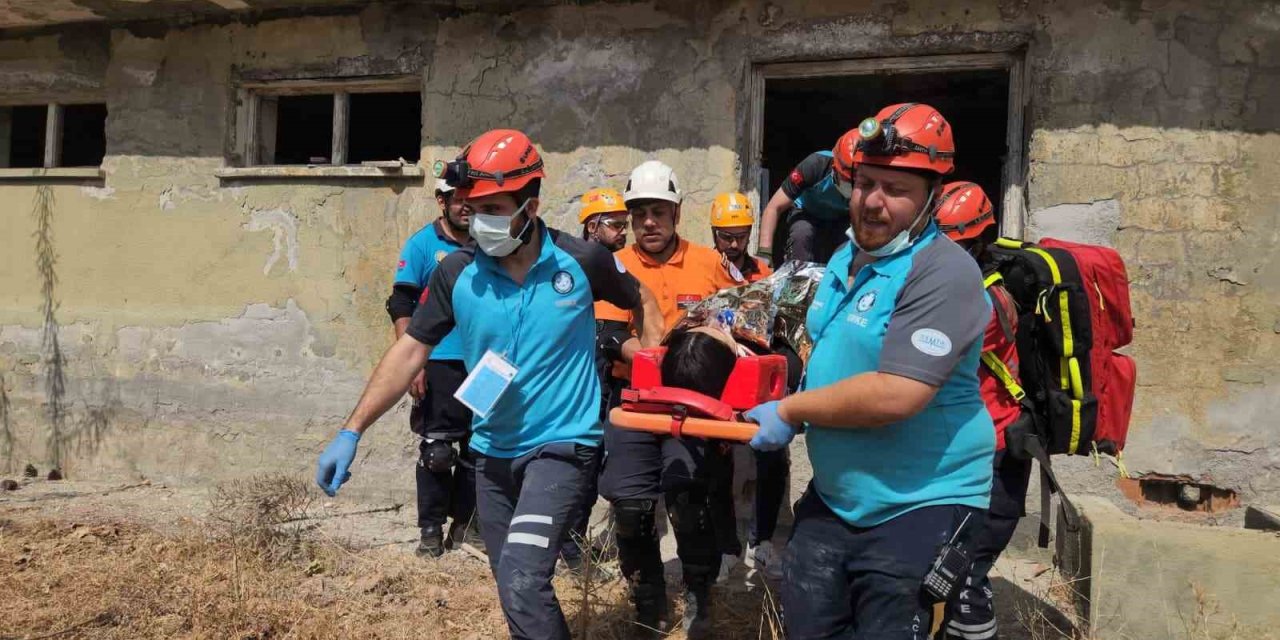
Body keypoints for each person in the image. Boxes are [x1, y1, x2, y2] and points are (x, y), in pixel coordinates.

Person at [316, 129, 664, 640]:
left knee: (523, 580)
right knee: (511, 586)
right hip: (491, 456)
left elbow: (644, 299)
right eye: (473, 207)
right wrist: (351, 430)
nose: (480, 221)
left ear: (531, 205)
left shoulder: (581, 261)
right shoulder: (457, 274)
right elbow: (411, 349)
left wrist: (649, 369)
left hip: (562, 448)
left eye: (494, 208)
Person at [744, 103, 996, 639]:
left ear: (932, 196)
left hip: (918, 503)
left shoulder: (944, 272)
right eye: (865, 183)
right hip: (838, 498)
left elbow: (896, 395)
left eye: (896, 189)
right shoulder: (846, 257)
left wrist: (791, 410)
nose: (874, 202)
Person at [595, 160, 744, 637]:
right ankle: (648, 602)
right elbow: (606, 331)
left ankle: (701, 596)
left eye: (658, 211)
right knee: (630, 503)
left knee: (689, 494)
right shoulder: (614, 266)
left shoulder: (709, 264)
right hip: (635, 400)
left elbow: (745, 320)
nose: (648, 223)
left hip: (693, 403)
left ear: (677, 213)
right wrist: (640, 352)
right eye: (639, 214)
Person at [935, 181, 1031, 640]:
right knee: (958, 575)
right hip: (990, 446)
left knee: (966, 580)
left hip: (989, 454)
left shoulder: (980, 305)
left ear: (977, 242)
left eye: (952, 246)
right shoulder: (981, 288)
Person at [387, 178, 481, 557]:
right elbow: (400, 304)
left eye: (471, 201)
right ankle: (430, 530)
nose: (465, 207)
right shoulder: (423, 245)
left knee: (481, 452)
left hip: (484, 365)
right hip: (438, 361)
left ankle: (467, 527)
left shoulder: (489, 245)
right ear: (442, 202)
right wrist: (413, 363)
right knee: (438, 453)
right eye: (458, 200)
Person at [705, 191, 789, 581]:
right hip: (719, 382)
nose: (734, 243)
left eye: (741, 235)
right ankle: (726, 548)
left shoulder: (766, 275)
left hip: (757, 383)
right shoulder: (706, 271)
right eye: (726, 235)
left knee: (773, 459)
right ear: (714, 234)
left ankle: (764, 541)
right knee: (716, 464)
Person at [756, 128, 861, 266]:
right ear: (835, 168)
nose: (850, 186)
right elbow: (773, 208)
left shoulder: (870, 180)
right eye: (846, 180)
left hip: (842, 219)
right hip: (807, 213)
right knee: (801, 234)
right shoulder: (815, 165)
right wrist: (764, 253)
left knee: (849, 247)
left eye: (855, 182)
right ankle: (796, 281)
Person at [709, 192, 772, 282]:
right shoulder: (703, 271)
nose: (734, 244)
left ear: (749, 235)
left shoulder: (763, 273)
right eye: (727, 237)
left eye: (741, 237)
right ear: (714, 234)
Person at [579, 187, 630, 251]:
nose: (624, 232)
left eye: (625, 225)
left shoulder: (620, 259)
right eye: (617, 226)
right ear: (592, 227)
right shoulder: (577, 260)